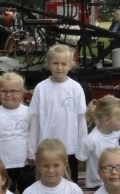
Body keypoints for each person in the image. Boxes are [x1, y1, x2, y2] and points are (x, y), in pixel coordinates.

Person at [27, 44, 88, 183]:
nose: (59, 67)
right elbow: (34, 120)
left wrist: (82, 147)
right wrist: (31, 149)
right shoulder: (41, 88)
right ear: (49, 64)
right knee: (46, 182)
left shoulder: (76, 88)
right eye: (55, 63)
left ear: (70, 65)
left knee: (70, 183)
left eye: (63, 63)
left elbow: (81, 120)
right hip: (45, 147)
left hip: (69, 147)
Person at [0, 72, 33, 194]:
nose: (8, 95)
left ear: (21, 92)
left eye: (13, 91)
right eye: (3, 91)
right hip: (3, 165)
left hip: (26, 164)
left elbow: (35, 135)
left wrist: (34, 154)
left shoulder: (29, 112)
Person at [77, 95, 120, 189]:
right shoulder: (91, 140)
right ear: (107, 120)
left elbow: (116, 146)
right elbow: (81, 158)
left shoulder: (116, 133)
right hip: (96, 183)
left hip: (114, 178)